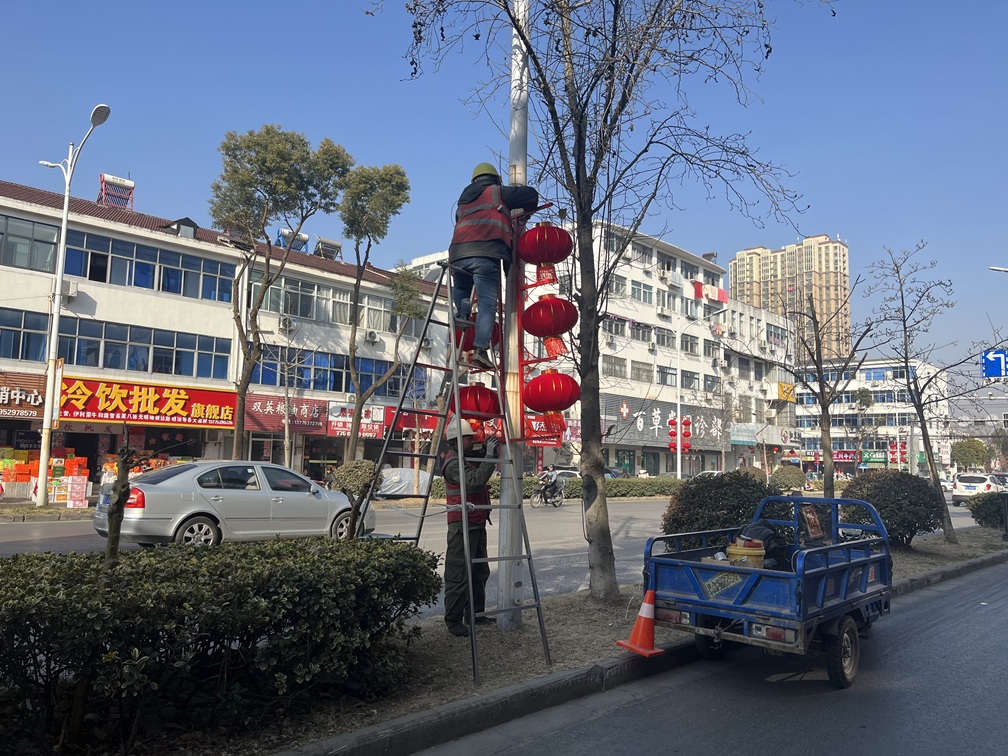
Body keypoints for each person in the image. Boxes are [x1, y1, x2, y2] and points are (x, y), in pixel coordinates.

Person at [449, 162, 539, 371]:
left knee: (461, 287)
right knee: (487, 304)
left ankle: (462, 313)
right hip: (485, 253)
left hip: (457, 254)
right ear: (495, 179)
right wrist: (515, 195)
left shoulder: (462, 202)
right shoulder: (497, 192)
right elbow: (530, 196)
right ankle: (481, 349)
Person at [441, 418, 500, 637]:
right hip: (462, 525)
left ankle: (476, 614)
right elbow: (475, 480)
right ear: (456, 441)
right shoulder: (453, 464)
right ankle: (454, 620)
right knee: (458, 574)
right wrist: (490, 455)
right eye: (468, 438)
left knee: (479, 572)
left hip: (476, 522)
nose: (472, 441)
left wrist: (487, 450)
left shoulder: (465, 458)